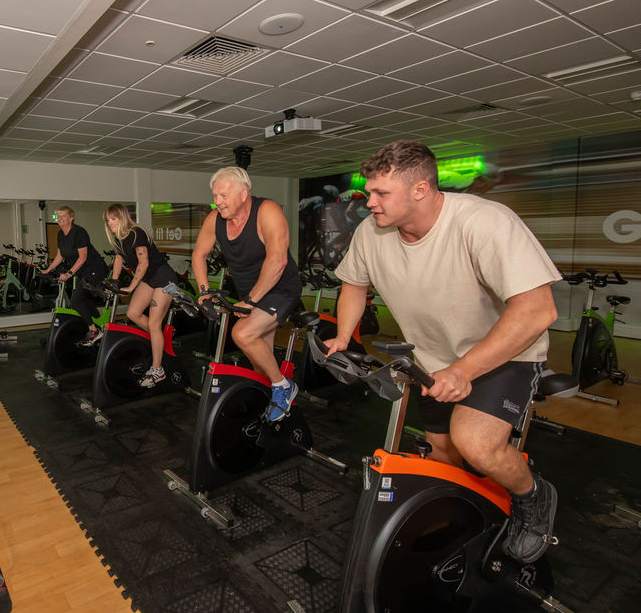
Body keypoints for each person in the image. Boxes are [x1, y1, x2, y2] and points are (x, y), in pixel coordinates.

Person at [324, 140, 561, 564]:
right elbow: (354, 285)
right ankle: (475, 511)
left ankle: (533, 496)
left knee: (476, 445)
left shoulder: (483, 221)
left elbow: (538, 309)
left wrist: (466, 370)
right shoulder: (370, 232)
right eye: (369, 191)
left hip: (503, 353)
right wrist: (344, 335)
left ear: (420, 189)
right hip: (432, 358)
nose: (369, 201)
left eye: (381, 193)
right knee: (445, 455)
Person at [192, 166, 302, 421]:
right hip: (248, 294)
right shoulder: (214, 219)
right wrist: (204, 292)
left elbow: (278, 261)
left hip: (280, 289)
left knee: (242, 333)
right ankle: (270, 398)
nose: (217, 201)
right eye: (214, 195)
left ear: (244, 194)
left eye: (223, 195)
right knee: (258, 358)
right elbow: (199, 254)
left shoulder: (267, 211)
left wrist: (251, 301)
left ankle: (284, 387)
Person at [103, 204, 179, 387]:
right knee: (133, 313)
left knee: (153, 322)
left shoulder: (136, 233)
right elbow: (119, 259)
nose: (110, 223)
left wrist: (130, 286)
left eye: (113, 219)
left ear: (122, 217)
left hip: (164, 279)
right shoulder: (118, 239)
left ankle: (157, 369)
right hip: (149, 279)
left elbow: (143, 263)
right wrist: (114, 281)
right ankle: (158, 339)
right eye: (107, 220)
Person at [41, 205, 108, 345]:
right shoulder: (60, 234)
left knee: (76, 301)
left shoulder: (79, 232)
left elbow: (82, 257)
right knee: (84, 299)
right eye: (57, 217)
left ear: (71, 218)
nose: (60, 219)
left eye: (63, 216)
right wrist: (48, 270)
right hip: (83, 272)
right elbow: (60, 255)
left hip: (96, 269)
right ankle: (100, 322)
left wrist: (69, 274)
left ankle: (94, 330)